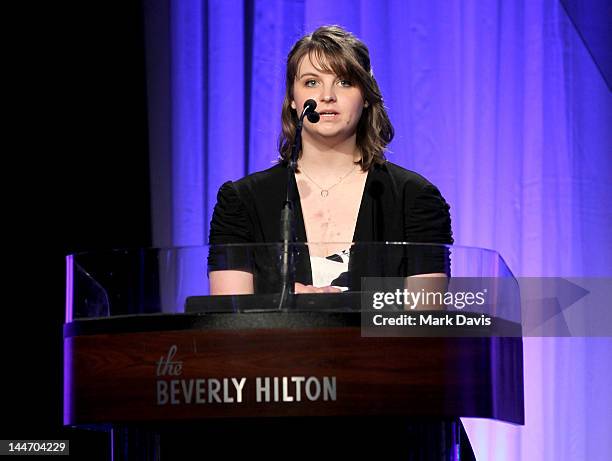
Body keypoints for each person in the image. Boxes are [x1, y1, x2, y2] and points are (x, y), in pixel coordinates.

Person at [208, 25, 453, 296]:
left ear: (367, 98)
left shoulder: (415, 199)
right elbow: (229, 317)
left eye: (345, 82)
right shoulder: (241, 201)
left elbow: (424, 319)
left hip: (378, 341)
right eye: (311, 82)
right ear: (292, 99)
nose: (327, 96)